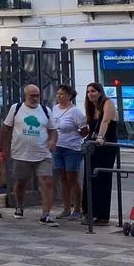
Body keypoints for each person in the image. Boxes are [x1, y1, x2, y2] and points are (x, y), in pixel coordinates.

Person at [2, 84, 59, 226]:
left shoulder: (46, 110)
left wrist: (52, 141)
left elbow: (53, 130)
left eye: (37, 95)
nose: (35, 98)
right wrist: (5, 147)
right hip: (21, 153)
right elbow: (7, 128)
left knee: (47, 181)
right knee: (21, 182)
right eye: (32, 95)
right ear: (25, 95)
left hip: (43, 152)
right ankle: (19, 205)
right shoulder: (16, 108)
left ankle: (46, 214)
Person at [82, 82, 118, 225]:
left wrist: (100, 137)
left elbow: (106, 121)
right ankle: (89, 211)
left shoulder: (107, 103)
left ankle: (102, 215)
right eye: (88, 91)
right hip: (92, 147)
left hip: (105, 146)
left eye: (93, 91)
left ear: (100, 92)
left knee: (102, 178)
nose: (90, 94)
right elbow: (89, 127)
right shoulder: (91, 108)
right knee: (89, 178)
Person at [50, 84, 86, 221]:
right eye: (58, 94)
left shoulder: (75, 112)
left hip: (72, 148)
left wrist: (75, 135)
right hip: (58, 147)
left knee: (73, 179)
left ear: (69, 96)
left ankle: (77, 209)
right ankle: (66, 208)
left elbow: (84, 130)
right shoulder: (54, 109)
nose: (59, 96)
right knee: (63, 178)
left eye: (62, 94)